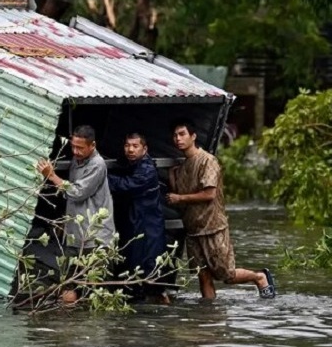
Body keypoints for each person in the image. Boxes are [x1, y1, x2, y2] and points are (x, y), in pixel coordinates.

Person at [166, 119, 276, 300]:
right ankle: (209, 317)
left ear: (193, 136)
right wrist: (172, 178)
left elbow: (209, 194)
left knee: (227, 275)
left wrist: (180, 197)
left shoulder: (207, 161)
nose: (178, 139)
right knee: (203, 276)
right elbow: (180, 197)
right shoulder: (183, 166)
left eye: (182, 134)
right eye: (175, 135)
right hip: (193, 230)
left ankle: (259, 277)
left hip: (213, 227)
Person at [108, 133, 169, 302]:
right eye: (127, 146)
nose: (130, 150)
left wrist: (102, 176)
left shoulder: (146, 169)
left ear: (145, 149)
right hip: (137, 227)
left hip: (148, 230)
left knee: (150, 276)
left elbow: (126, 185)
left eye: (135, 146)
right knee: (135, 272)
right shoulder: (131, 165)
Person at [36, 125, 116, 251]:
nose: (75, 151)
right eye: (73, 146)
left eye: (80, 148)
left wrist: (51, 176)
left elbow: (77, 192)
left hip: (95, 240)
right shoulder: (77, 159)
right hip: (77, 235)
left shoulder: (97, 164)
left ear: (92, 145)